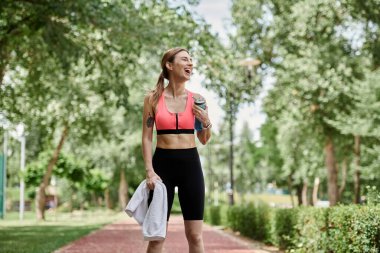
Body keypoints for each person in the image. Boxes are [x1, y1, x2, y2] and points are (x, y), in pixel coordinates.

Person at [142, 47, 212, 253]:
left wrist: (206, 122)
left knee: (195, 236)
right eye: (185, 60)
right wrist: (149, 171)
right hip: (162, 168)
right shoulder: (153, 99)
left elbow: (204, 139)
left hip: (191, 166)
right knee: (156, 237)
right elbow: (146, 138)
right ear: (169, 65)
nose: (190, 63)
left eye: (191, 60)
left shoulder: (198, 100)